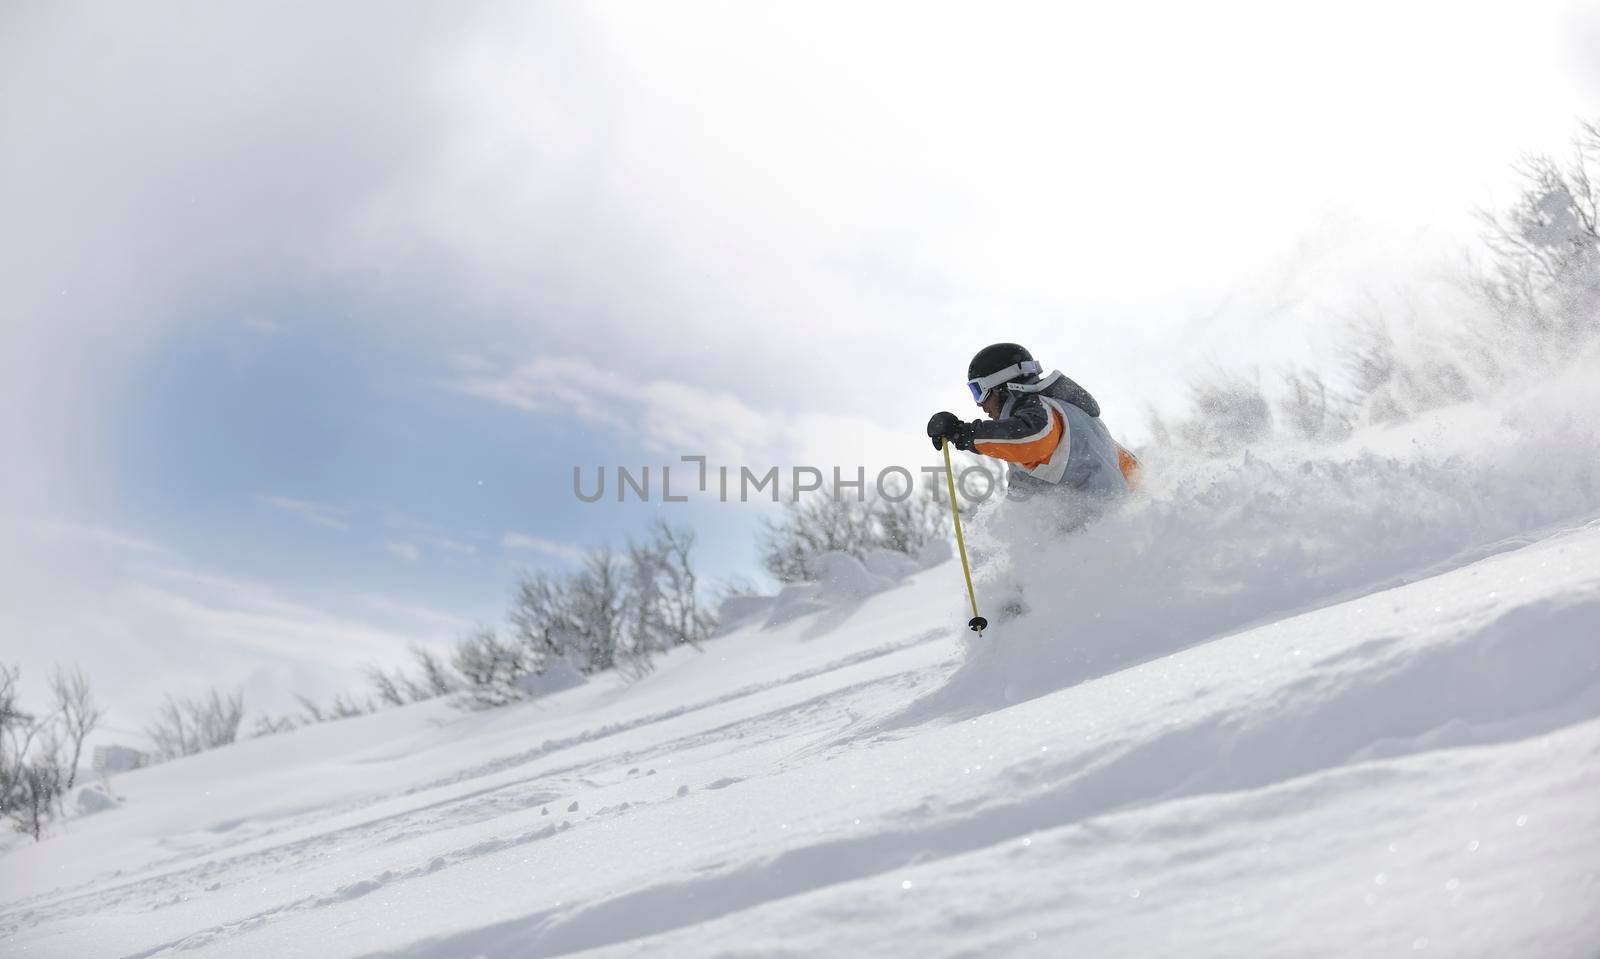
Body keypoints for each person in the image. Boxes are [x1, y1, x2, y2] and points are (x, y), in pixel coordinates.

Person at [927, 343, 1140, 515]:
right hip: (1106, 538)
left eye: (979, 391)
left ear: (1002, 385)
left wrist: (962, 433)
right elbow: (1132, 471)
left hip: (1091, 537)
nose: (979, 404)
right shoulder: (1080, 422)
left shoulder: (1039, 411)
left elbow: (1032, 438)